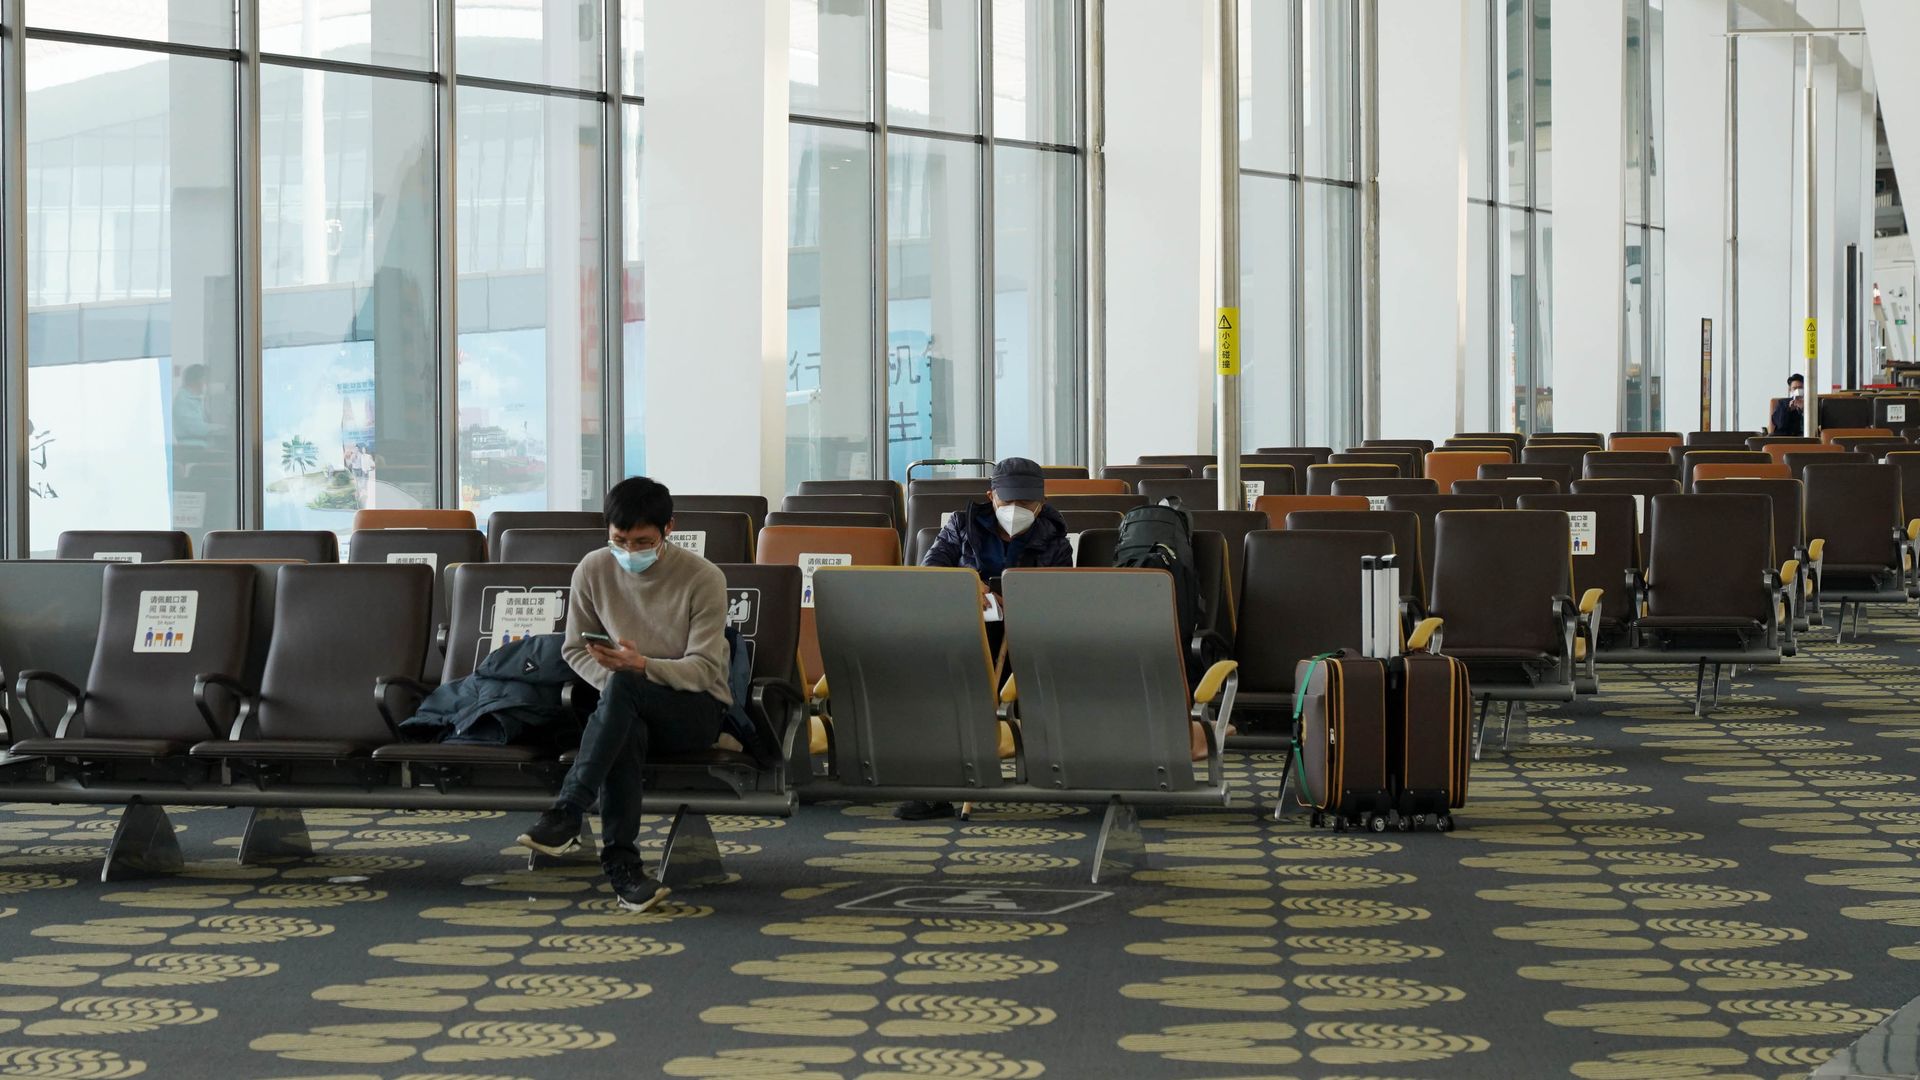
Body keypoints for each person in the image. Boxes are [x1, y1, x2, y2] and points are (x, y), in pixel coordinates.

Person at [518, 476, 731, 913]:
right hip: (623, 706)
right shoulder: (592, 569)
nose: (630, 551)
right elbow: (574, 650)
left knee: (625, 692)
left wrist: (641, 667)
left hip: (693, 709)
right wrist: (620, 685)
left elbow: (705, 669)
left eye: (642, 542)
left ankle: (569, 810)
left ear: (668, 528)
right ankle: (625, 871)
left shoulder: (703, 578)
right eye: (620, 540)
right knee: (624, 724)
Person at [903, 457, 1073, 820]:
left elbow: (1059, 596)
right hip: (965, 632)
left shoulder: (1055, 539)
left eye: (1026, 502)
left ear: (1041, 503)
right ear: (991, 496)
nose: (1016, 509)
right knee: (936, 681)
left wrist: (1019, 599)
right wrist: (968, 583)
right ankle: (935, 787)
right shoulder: (960, 526)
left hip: (1023, 641)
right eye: (1008, 500)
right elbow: (930, 570)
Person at [172, 365, 218, 448]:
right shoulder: (183, 401)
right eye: (205, 380)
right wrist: (219, 428)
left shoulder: (194, 399)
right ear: (196, 381)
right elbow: (196, 428)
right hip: (191, 448)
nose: (207, 384)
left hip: (199, 446)